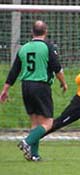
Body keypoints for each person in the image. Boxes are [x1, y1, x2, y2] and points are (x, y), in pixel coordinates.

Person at [0, 20, 68, 161]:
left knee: (35, 122)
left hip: (25, 86)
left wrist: (5, 89)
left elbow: (14, 71)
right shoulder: (48, 47)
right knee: (48, 123)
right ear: (46, 31)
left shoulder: (23, 48)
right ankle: (27, 141)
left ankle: (34, 155)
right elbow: (57, 69)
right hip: (40, 86)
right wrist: (64, 83)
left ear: (32, 32)